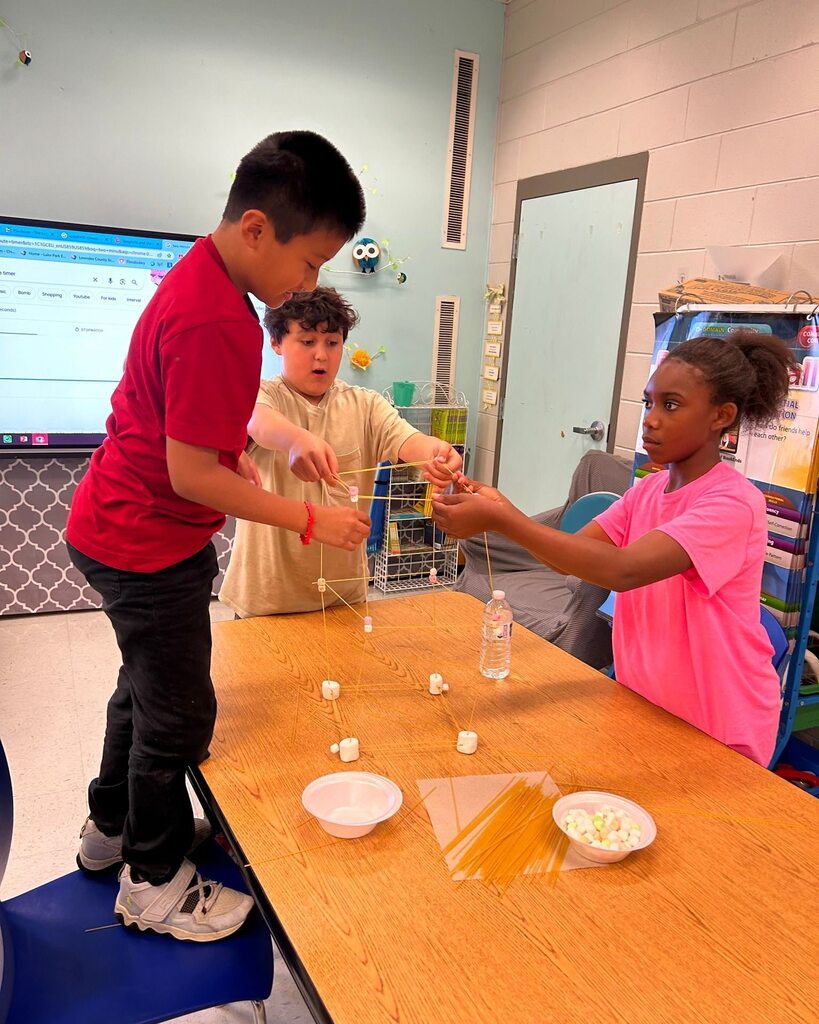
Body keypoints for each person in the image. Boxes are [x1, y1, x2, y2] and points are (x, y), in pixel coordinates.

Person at [65, 131, 371, 942]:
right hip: (145, 541)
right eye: (310, 264)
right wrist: (311, 517)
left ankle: (112, 833)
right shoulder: (216, 321)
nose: (309, 285)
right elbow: (193, 477)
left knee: (141, 689)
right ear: (258, 230)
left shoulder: (205, 284)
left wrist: (282, 440)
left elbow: (215, 410)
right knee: (177, 718)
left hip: (117, 526)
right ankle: (154, 882)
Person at [432, 330, 793, 767]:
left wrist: (502, 520)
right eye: (648, 403)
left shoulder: (733, 504)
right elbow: (568, 555)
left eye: (671, 405)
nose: (651, 420)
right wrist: (502, 509)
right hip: (648, 707)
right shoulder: (650, 490)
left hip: (717, 724)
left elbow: (623, 570)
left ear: (722, 415)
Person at [219, 286, 462, 617]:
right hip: (266, 599)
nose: (321, 355)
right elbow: (256, 419)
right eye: (307, 342)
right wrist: (294, 440)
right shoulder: (263, 395)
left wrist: (435, 451)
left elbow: (407, 439)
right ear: (277, 343)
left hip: (342, 598)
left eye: (332, 343)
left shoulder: (365, 405)